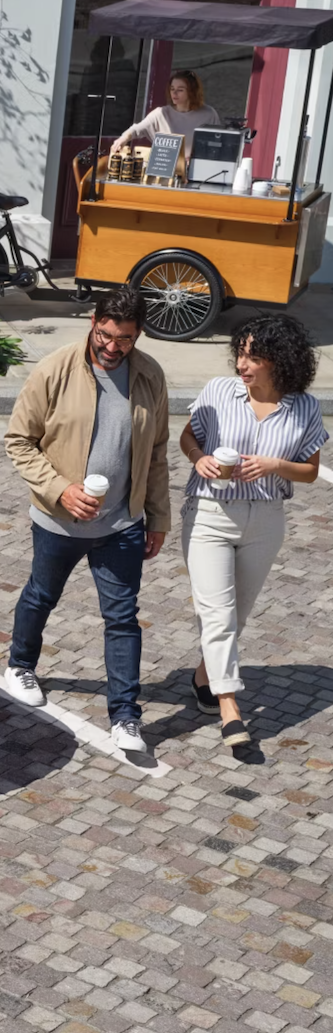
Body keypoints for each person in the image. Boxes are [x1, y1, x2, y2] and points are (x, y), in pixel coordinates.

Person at [2, 287, 171, 754]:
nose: (113, 347)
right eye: (107, 335)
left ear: (138, 336)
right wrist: (61, 489)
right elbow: (19, 441)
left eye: (126, 339)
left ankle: (126, 717)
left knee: (122, 618)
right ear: (93, 322)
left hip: (121, 524)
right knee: (42, 594)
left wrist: (156, 516)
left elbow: (156, 452)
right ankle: (20, 664)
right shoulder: (56, 368)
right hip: (59, 521)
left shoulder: (149, 376)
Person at [179, 314, 325, 747]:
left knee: (236, 616)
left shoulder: (304, 407)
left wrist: (274, 465)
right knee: (218, 615)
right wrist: (197, 458)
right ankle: (230, 709)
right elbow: (190, 437)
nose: (243, 364)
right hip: (209, 511)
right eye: (240, 353)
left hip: (265, 519)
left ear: (279, 361)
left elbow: (311, 472)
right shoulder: (220, 391)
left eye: (254, 356)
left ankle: (204, 677)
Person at [109, 70, 225, 154]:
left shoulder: (208, 114)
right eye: (172, 89)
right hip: (165, 171)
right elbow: (137, 129)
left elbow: (219, 143)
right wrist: (122, 139)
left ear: (192, 92)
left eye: (180, 90)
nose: (174, 93)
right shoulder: (161, 113)